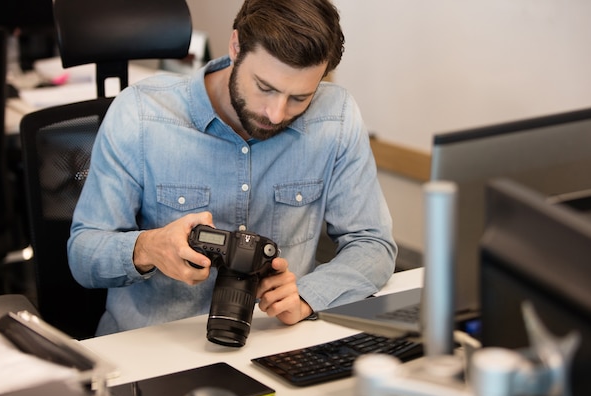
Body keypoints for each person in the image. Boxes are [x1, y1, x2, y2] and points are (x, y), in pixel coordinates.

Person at [67, 0, 397, 336]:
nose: (276, 114)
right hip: (153, 346)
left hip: (271, 343)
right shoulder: (140, 113)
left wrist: (308, 295)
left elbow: (372, 244)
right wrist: (148, 248)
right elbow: (83, 253)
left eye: (300, 97)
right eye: (265, 88)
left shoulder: (335, 117)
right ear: (236, 46)